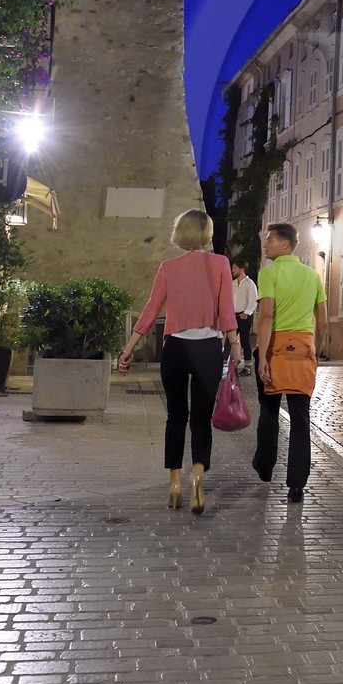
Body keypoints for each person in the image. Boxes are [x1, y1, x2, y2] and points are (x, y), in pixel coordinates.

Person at [117, 209, 240, 515]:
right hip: (207, 349)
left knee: (175, 417)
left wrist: (129, 347)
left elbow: (151, 309)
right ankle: (196, 477)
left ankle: (174, 483)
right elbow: (227, 311)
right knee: (201, 418)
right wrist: (235, 345)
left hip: (175, 349)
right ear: (207, 232)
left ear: (180, 233)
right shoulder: (220, 264)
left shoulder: (168, 267)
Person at [252, 222, 328, 503]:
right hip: (303, 348)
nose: (265, 244)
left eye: (269, 239)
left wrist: (262, 356)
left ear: (284, 244)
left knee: (269, 410)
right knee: (300, 418)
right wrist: (315, 351)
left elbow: (267, 317)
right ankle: (297, 484)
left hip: (276, 347)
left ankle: (265, 465)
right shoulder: (312, 276)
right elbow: (323, 322)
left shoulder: (269, 274)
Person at [231, 259, 259, 374]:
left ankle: (248, 366)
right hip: (233, 315)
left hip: (244, 315)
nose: (232, 270)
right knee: (230, 340)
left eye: (234, 268)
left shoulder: (249, 283)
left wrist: (247, 313)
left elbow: (254, 299)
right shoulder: (233, 283)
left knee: (245, 341)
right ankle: (230, 363)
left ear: (241, 269)